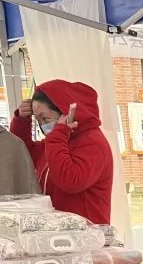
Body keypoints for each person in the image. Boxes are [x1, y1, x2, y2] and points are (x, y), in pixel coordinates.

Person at [11, 81, 114, 225]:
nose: (43, 125)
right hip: (59, 229)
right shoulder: (56, 141)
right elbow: (24, 155)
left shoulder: (92, 143)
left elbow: (71, 181)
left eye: (45, 118)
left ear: (66, 113)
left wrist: (58, 134)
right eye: (38, 120)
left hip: (85, 232)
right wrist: (22, 121)